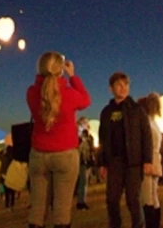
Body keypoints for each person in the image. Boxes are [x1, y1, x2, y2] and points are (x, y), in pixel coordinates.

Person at [26, 51, 92, 228]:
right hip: (65, 154)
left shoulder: (32, 93)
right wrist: (73, 76)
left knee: (37, 210)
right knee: (62, 211)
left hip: (38, 154)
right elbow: (86, 100)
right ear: (60, 69)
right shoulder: (69, 94)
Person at [99, 72, 153, 228]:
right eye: (118, 85)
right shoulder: (106, 112)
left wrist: (147, 160)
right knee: (112, 200)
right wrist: (102, 162)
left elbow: (146, 135)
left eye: (125, 85)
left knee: (133, 200)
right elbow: (103, 138)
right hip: (114, 162)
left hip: (134, 162)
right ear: (111, 88)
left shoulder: (137, 109)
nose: (123, 88)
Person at [138, 94, 163, 228]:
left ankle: (151, 224)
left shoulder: (146, 122)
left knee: (147, 196)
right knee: (153, 194)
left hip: (148, 159)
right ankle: (155, 223)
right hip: (155, 158)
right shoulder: (154, 123)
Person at [75, 118, 95, 210]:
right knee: (83, 182)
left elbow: (91, 150)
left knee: (84, 182)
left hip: (86, 162)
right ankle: (81, 201)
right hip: (82, 162)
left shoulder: (89, 138)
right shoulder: (80, 139)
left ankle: (82, 200)